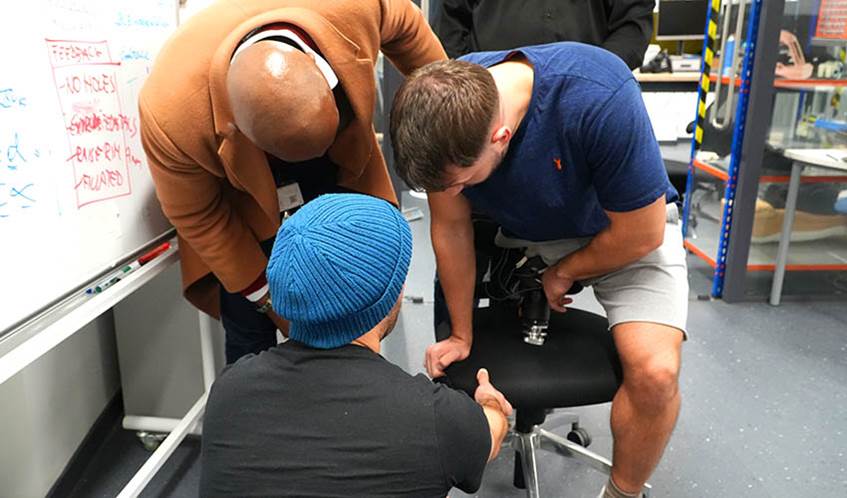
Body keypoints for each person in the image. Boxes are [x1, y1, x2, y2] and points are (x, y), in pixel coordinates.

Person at [389, 42, 687, 498]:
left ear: (501, 138)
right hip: (524, 232)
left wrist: (567, 271)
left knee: (656, 373)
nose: (452, 192)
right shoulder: (445, 116)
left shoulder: (599, 98)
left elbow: (643, 234)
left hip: (621, 228)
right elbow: (450, 231)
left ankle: (622, 492)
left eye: (460, 183)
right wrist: (462, 333)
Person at [139, 0, 446, 363]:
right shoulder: (172, 114)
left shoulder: (354, 7)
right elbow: (199, 218)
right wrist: (271, 303)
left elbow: (416, 41)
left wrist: (444, 125)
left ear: (326, 71)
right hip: (242, 197)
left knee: (357, 287)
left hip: (338, 158)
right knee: (248, 327)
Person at [200, 194, 513, 497]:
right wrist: (489, 403)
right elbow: (492, 433)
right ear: (393, 295)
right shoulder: (436, 419)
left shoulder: (229, 388)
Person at [434, 0, 654, 69]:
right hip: (491, 106)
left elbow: (631, 29)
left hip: (585, 108)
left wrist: (592, 80)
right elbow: (449, 24)